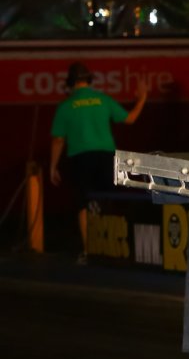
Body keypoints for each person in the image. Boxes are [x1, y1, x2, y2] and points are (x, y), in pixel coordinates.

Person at [50, 62, 147, 263]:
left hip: (80, 157)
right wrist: (142, 99)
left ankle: (88, 250)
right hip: (106, 156)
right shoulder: (103, 100)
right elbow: (129, 119)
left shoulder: (65, 106)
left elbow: (58, 139)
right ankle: (111, 248)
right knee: (107, 199)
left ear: (70, 83)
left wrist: (53, 166)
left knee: (83, 203)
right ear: (89, 80)